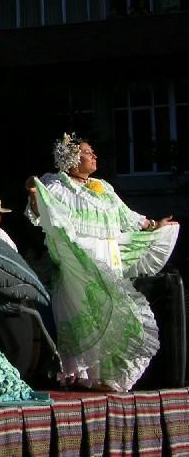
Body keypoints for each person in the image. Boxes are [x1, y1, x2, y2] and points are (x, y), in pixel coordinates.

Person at [26, 133, 179, 391]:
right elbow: (43, 210)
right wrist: (33, 193)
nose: (94, 156)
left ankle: (108, 377)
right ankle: (85, 377)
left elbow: (127, 216)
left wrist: (154, 225)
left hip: (108, 257)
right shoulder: (57, 185)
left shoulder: (103, 188)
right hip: (79, 260)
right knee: (88, 313)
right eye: (88, 152)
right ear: (73, 159)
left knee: (116, 310)